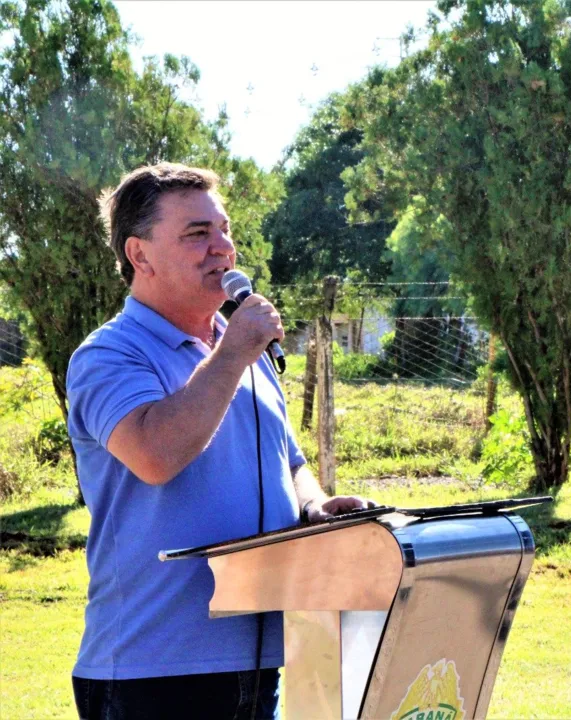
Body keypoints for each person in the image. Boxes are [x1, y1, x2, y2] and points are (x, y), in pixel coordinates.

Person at [66, 162, 375, 719]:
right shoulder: (110, 355)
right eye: (197, 234)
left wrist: (315, 503)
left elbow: (290, 461)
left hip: (258, 662)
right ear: (140, 255)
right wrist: (233, 353)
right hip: (151, 672)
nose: (223, 249)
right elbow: (155, 455)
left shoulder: (243, 355)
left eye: (224, 230)